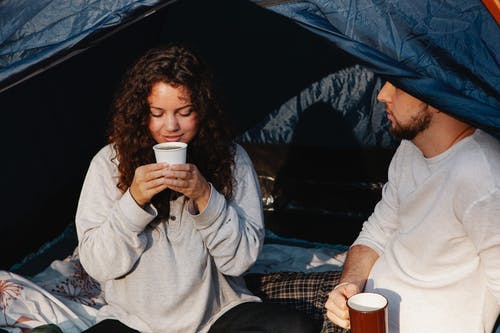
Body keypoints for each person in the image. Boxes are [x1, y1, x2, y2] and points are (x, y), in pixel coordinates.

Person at [75, 43, 317, 333]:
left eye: (184, 111)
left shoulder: (231, 159)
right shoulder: (109, 163)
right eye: (157, 112)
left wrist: (205, 196)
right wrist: (134, 201)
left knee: (294, 327)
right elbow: (98, 266)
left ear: (202, 110)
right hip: (134, 322)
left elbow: (240, 261)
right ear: (140, 112)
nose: (171, 126)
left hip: (216, 316)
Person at [325, 81, 500, 332]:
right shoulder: (411, 148)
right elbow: (376, 234)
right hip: (365, 315)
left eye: (397, 85)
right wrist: (348, 285)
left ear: (438, 91)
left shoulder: (483, 177)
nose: (382, 95)